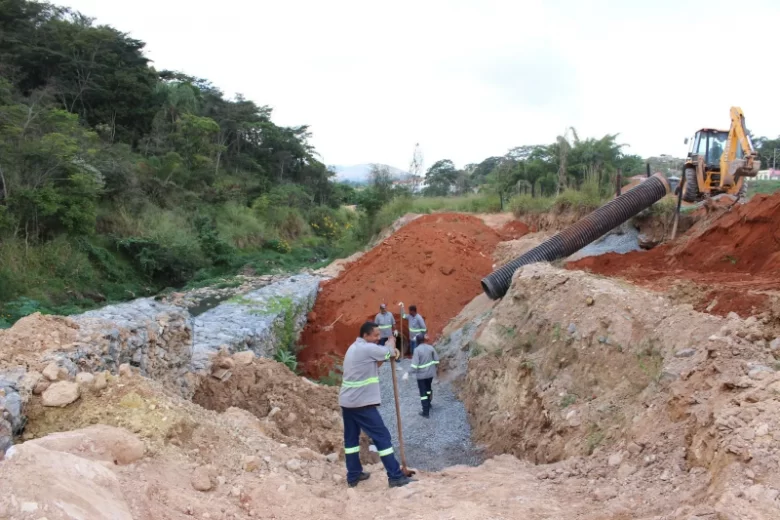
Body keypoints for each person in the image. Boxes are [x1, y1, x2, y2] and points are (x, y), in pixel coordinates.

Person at [339, 321, 415, 488]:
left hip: (348, 402)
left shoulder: (355, 348)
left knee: (351, 440)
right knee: (382, 437)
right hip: (361, 403)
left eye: (379, 335)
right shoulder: (367, 348)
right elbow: (388, 353)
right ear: (365, 335)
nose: (377, 338)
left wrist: (387, 349)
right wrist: (391, 344)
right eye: (375, 335)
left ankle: (353, 475)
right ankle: (395, 476)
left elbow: (377, 361)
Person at [409, 333, 439, 418]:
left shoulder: (417, 350)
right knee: (428, 389)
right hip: (430, 374)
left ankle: (425, 412)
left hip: (421, 376)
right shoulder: (431, 348)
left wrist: (408, 373)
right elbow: (437, 360)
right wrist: (433, 368)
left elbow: (414, 365)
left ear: (417, 341)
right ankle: (429, 404)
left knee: (423, 393)